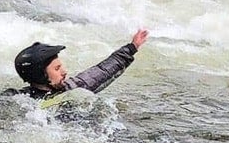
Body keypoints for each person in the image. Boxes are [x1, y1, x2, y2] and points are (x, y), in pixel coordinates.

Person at [15, 30, 150, 99]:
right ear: (40, 75)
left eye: (61, 66)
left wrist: (133, 47)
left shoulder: (71, 89)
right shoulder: (20, 99)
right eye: (57, 68)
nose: (64, 71)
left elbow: (101, 71)